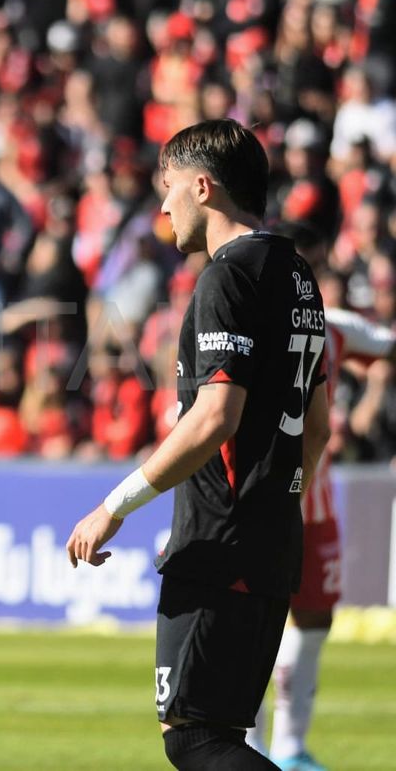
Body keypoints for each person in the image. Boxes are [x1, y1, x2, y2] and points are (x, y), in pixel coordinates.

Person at [65, 119, 332, 771]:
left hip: (221, 542)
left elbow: (215, 416)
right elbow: (319, 424)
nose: (163, 206)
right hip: (271, 539)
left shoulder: (226, 277)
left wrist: (115, 505)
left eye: (169, 187)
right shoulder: (297, 274)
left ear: (203, 187)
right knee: (220, 735)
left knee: (195, 738)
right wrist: (275, 503)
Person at [248, 304, 396, 771]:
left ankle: (290, 748)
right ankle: (249, 747)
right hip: (255, 504)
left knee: (313, 618)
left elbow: (387, 347)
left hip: (317, 504)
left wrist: (375, 385)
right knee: (250, 620)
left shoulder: (335, 326)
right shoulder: (244, 317)